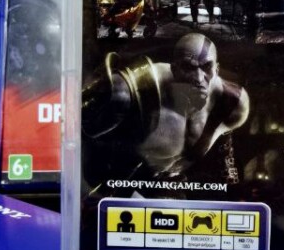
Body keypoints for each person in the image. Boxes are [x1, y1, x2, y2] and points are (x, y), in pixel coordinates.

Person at [84, 33, 249, 181]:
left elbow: (224, 135)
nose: (199, 78)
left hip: (179, 185)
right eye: (188, 67)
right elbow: (81, 134)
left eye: (207, 67)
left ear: (217, 69)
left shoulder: (233, 103)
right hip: (119, 182)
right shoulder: (129, 88)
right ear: (174, 69)